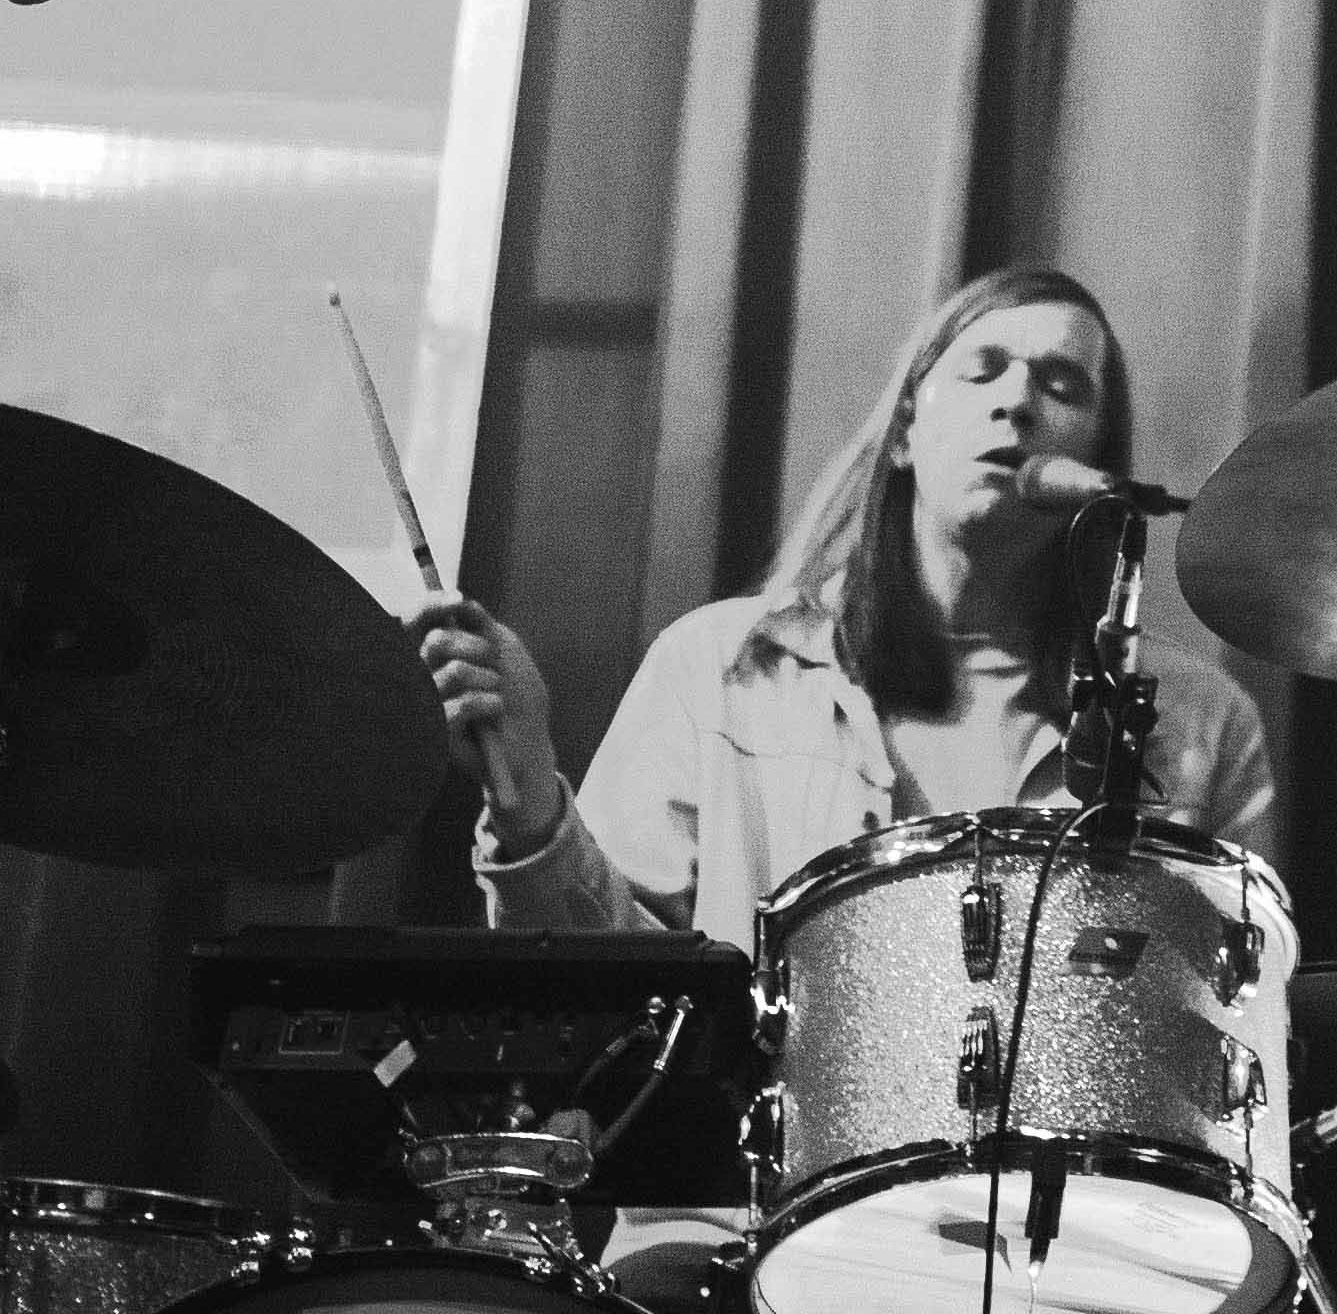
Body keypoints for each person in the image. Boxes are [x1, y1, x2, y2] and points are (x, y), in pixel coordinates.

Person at [417, 261, 1278, 935]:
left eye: (1061, 385)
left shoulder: (1200, 723)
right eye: (982, 372)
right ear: (904, 432)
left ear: (1097, 462)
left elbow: (1235, 1015)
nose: (1016, 402)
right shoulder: (720, 668)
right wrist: (529, 802)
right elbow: (607, 993)